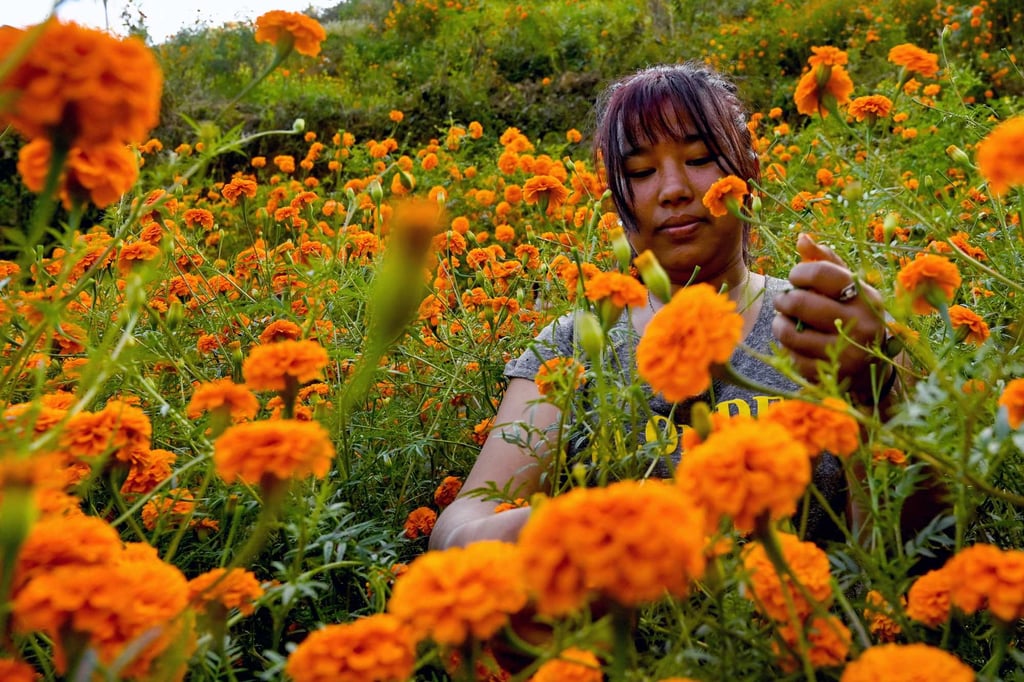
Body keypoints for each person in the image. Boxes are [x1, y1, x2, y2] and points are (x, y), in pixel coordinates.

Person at [430, 62, 905, 552]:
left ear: (749, 173)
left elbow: (910, 541)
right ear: (618, 199)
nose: (674, 189)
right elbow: (463, 517)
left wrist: (875, 387)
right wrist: (498, 534)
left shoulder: (827, 321)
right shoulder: (573, 345)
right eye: (641, 171)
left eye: (699, 158)